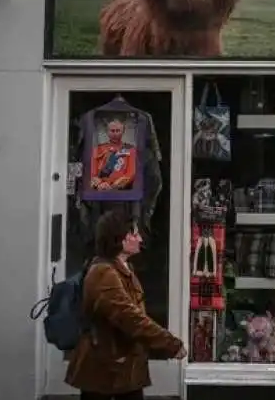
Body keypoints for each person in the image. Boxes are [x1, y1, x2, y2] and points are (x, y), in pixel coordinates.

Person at [66, 210, 186, 400]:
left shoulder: (121, 268)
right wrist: (169, 343)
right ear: (119, 239)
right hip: (107, 369)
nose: (140, 239)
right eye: (134, 233)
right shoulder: (104, 274)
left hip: (120, 367)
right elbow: (130, 317)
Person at [90, 118, 136, 191]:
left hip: (121, 191)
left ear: (123, 131)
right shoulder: (97, 149)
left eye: (118, 131)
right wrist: (100, 184)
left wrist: (113, 186)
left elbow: (131, 173)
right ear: (107, 132)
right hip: (99, 190)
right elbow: (92, 172)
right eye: (112, 131)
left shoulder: (131, 150)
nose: (115, 133)